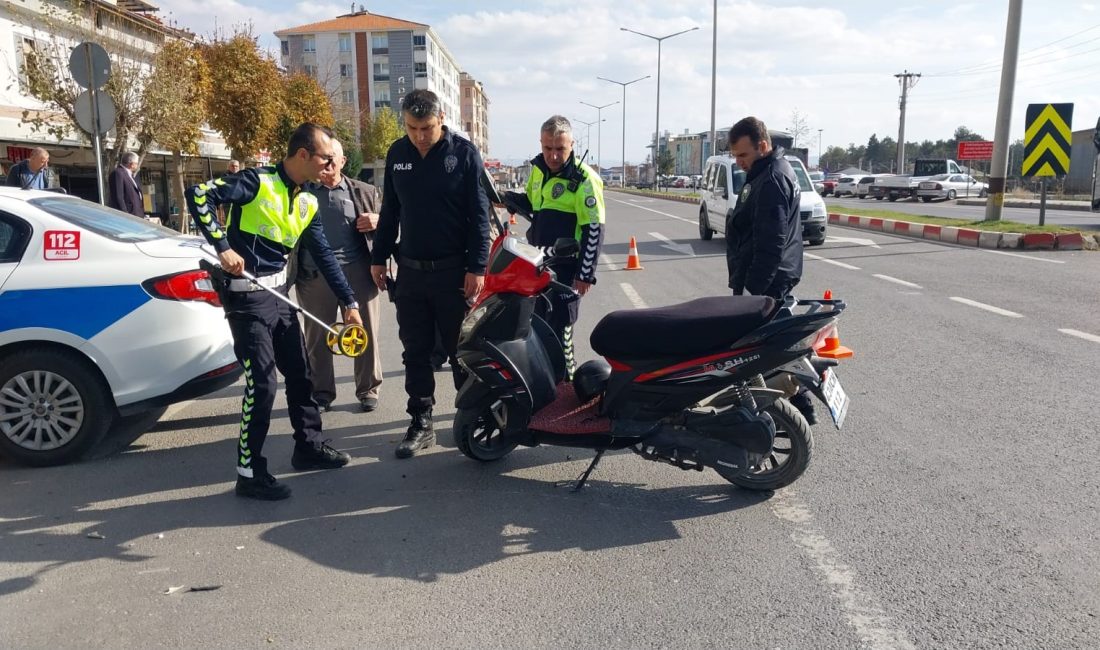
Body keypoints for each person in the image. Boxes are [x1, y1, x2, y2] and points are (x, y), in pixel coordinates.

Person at [186, 122, 361, 501]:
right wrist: (221, 245)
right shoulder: (255, 182)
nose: (331, 165)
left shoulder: (308, 200)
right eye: (326, 158)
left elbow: (325, 256)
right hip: (247, 299)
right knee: (262, 384)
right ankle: (249, 472)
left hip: (280, 295)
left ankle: (309, 447)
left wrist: (349, 302)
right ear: (303, 155)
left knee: (302, 374)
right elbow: (197, 194)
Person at [370, 89, 490, 459]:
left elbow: (480, 216)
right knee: (416, 350)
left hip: (453, 273)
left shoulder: (464, 155)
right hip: (410, 273)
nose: (420, 136)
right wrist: (378, 257)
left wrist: (477, 267)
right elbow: (390, 211)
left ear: (441, 120)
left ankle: (470, 417)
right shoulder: (397, 154)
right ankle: (421, 421)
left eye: (426, 128)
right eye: (412, 128)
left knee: (460, 351)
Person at [725, 116, 815, 423]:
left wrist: (753, 292)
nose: (738, 163)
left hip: (767, 281)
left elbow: (771, 244)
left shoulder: (773, 179)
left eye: (743, 155)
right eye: (735, 156)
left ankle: (787, 413)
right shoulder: (766, 172)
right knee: (769, 350)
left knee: (755, 355)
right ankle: (794, 411)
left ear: (763, 146)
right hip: (768, 278)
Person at [502, 115, 605, 378]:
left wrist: (585, 273)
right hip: (537, 264)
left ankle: (566, 386)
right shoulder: (538, 170)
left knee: (561, 332)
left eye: (560, 148)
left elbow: (594, 228)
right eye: (548, 148)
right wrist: (507, 198)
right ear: (541, 143)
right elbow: (535, 207)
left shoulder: (585, 179)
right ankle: (546, 388)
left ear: (572, 144)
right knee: (537, 329)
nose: (553, 155)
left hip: (567, 269)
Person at [293, 138, 384, 413]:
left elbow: (392, 224)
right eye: (325, 158)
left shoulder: (365, 191)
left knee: (364, 333)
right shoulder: (301, 192)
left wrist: (378, 221)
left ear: (343, 162)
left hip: (358, 271)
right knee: (318, 336)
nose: (329, 164)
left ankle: (368, 389)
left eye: (334, 159)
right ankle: (321, 393)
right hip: (314, 275)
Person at [108, 151, 145, 218]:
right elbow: (118, 197)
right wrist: (125, 215)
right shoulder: (118, 173)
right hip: (128, 216)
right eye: (137, 163)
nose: (137, 166)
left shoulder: (130, 175)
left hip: (137, 216)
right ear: (132, 164)